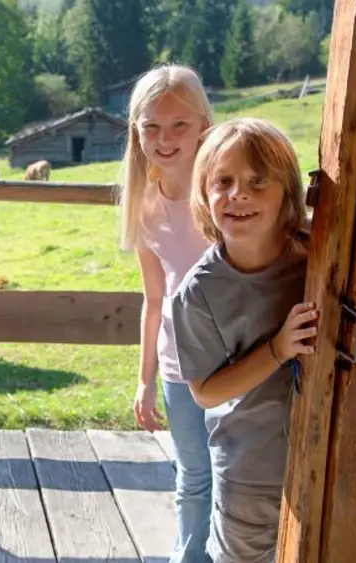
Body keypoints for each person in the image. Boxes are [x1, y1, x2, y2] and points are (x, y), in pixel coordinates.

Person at [172, 118, 317, 563]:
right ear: (203, 193)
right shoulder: (198, 294)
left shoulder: (319, 254)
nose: (239, 195)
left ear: (287, 195)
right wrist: (277, 349)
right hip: (249, 470)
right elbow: (204, 391)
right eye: (224, 182)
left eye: (258, 182)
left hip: (324, 452)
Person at [117, 63, 216, 563]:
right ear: (136, 132)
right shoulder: (144, 203)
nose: (165, 137)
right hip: (179, 363)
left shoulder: (223, 192)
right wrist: (144, 379)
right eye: (151, 126)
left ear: (204, 124)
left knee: (236, 477)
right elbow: (154, 298)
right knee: (192, 476)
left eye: (179, 124)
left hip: (238, 357)